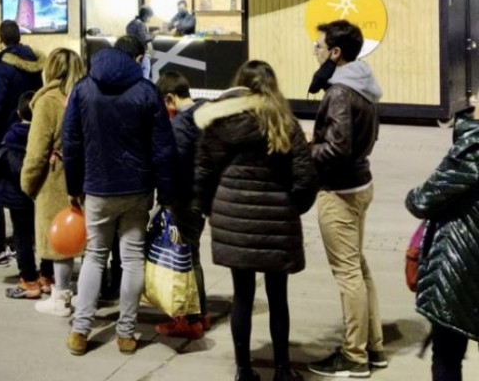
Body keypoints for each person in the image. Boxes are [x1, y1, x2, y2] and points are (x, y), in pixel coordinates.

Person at [194, 61, 317, 381]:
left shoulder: (221, 121)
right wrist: (292, 208)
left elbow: (204, 171)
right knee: (278, 297)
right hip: (277, 221)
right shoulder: (285, 122)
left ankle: (243, 370)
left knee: (243, 296)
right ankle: (282, 369)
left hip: (234, 220)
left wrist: (210, 211)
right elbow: (305, 177)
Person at [63, 36, 175, 356]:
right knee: (131, 260)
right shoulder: (146, 91)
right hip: (137, 189)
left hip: (97, 187)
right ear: (137, 59)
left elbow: (71, 142)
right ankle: (126, 334)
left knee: (95, 257)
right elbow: (163, 149)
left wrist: (73, 187)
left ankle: (80, 330)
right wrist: (166, 193)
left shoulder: (83, 88)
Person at [306, 20, 386, 379]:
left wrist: (305, 150)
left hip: (339, 190)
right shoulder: (362, 82)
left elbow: (337, 147)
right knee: (359, 268)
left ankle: (354, 357)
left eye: (320, 45)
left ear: (335, 52)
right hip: (360, 183)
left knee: (348, 273)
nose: (316, 50)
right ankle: (374, 345)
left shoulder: (339, 91)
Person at [405, 109, 479, 381]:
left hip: (459, 268)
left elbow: (421, 200)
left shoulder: (473, 147)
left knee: (447, 357)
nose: (472, 101)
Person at [21, 47, 86, 316]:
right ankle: (84, 295)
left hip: (56, 176)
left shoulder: (47, 101)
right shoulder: (85, 96)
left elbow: (37, 151)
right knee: (85, 239)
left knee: (61, 240)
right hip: (88, 176)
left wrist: (28, 182)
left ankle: (60, 297)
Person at [151, 71, 211, 339]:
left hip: (184, 200)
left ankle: (189, 319)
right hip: (201, 198)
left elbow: (173, 168)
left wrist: (166, 199)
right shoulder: (204, 114)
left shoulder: (179, 127)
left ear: (170, 98)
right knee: (194, 257)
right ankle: (202, 313)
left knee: (183, 259)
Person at [0, 20, 45, 265]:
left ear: (1, 39)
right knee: (25, 189)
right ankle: (24, 242)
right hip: (28, 133)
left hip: (3, 139)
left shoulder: (4, 65)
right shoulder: (36, 65)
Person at [0, 91, 50, 296]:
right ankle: (47, 277)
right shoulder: (44, 136)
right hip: (40, 194)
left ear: (18, 113)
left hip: (16, 197)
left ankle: (29, 280)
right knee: (44, 235)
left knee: (22, 239)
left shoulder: (10, 137)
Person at [127, 5, 155, 79]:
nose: (150, 19)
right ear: (146, 16)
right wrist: (154, 35)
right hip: (141, 52)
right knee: (145, 71)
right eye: (150, 17)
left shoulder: (131, 23)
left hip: (132, 53)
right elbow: (144, 39)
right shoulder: (140, 24)